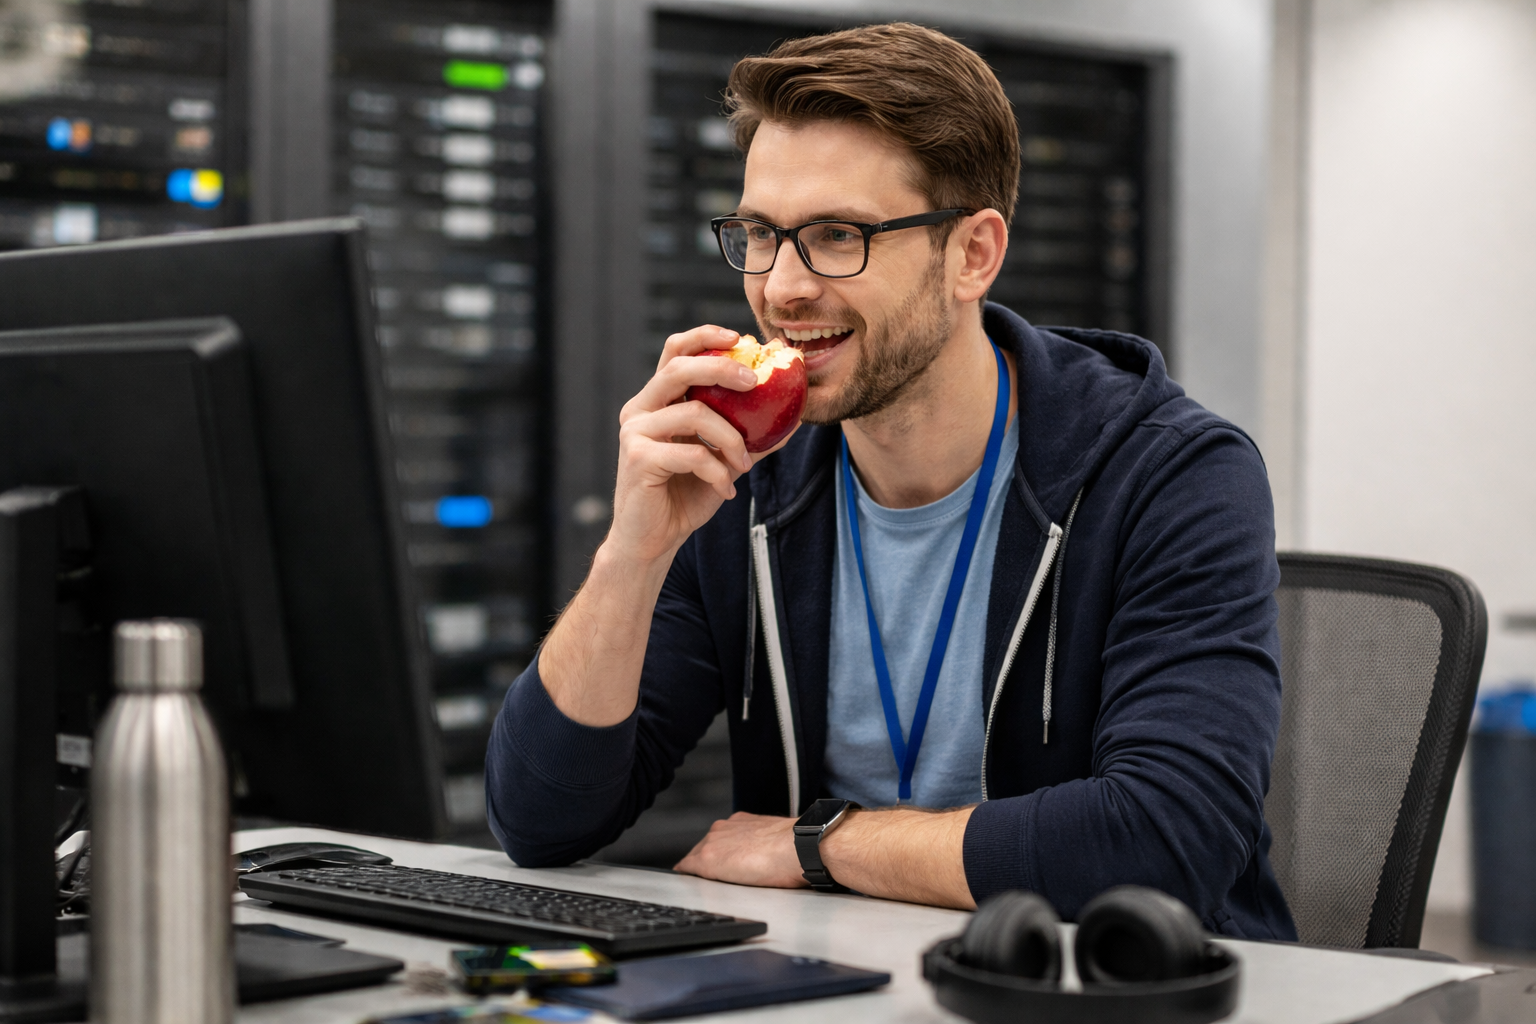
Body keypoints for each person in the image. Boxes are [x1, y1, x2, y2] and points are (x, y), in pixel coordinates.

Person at [486, 21, 1296, 939]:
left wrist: (820, 845)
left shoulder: (1170, 474)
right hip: (835, 984)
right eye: (760, 233)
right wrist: (635, 550)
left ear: (973, 255)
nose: (782, 287)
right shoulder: (746, 473)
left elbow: (1165, 842)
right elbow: (541, 823)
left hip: (1111, 990)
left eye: (837, 235)